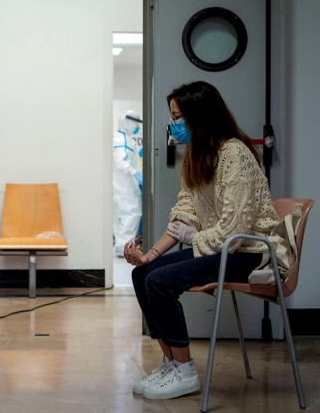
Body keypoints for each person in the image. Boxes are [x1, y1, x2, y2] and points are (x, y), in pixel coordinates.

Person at [124, 81, 280, 401]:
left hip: (248, 251)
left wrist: (193, 237)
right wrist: (150, 255)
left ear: (201, 115)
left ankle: (185, 371)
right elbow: (185, 212)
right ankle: (170, 362)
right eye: (173, 116)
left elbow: (233, 231)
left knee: (161, 282)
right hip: (221, 246)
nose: (175, 124)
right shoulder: (199, 154)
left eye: (179, 116)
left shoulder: (234, 153)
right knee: (142, 275)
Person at [113, 111, 144, 256]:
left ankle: (121, 246)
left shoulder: (118, 138)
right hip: (126, 188)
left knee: (121, 217)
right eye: (136, 124)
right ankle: (124, 247)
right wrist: (136, 174)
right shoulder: (123, 139)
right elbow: (122, 161)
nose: (137, 127)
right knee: (131, 214)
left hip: (119, 187)